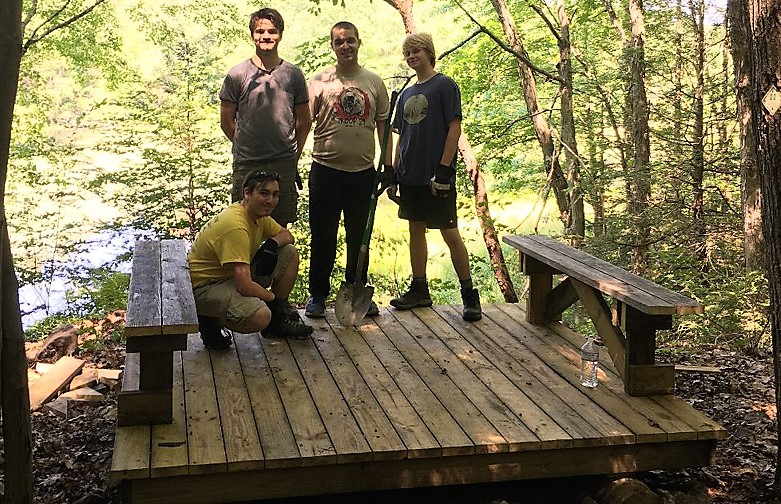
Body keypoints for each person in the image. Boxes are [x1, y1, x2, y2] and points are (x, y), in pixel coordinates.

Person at [386, 33, 481, 322]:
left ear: (429, 52)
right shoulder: (405, 94)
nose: (412, 57)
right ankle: (419, 288)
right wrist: (393, 171)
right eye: (407, 53)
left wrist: (444, 167)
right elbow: (399, 135)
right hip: (409, 174)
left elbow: (454, 128)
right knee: (416, 230)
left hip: (435, 175)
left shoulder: (444, 86)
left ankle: (469, 295)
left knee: (449, 232)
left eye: (416, 51)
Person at [305, 21, 391, 318]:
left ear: (358, 42)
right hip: (325, 170)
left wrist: (388, 166)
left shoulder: (374, 82)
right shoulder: (320, 81)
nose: (345, 46)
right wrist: (293, 162)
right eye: (339, 42)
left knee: (359, 238)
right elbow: (304, 123)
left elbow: (383, 127)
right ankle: (317, 294)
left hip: (363, 173)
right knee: (323, 235)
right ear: (332, 46)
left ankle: (356, 292)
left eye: (350, 41)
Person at [188, 169, 313, 349]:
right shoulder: (236, 226)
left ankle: (276, 323)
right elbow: (244, 285)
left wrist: (271, 244)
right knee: (261, 316)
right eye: (264, 193)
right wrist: (270, 298)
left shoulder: (258, 216)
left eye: (275, 194)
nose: (270, 200)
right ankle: (209, 320)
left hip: (228, 277)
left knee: (289, 252)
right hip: (205, 287)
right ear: (247, 193)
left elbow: (287, 236)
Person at [219, 8, 311, 227]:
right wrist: (246, 144)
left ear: (280, 34)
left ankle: (279, 263)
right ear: (252, 35)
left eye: (272, 31)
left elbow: (304, 121)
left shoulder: (293, 75)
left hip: (283, 162)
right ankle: (244, 263)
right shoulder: (237, 75)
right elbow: (226, 121)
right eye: (260, 31)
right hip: (247, 162)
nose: (266, 36)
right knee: (242, 224)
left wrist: (292, 155)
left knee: (280, 227)